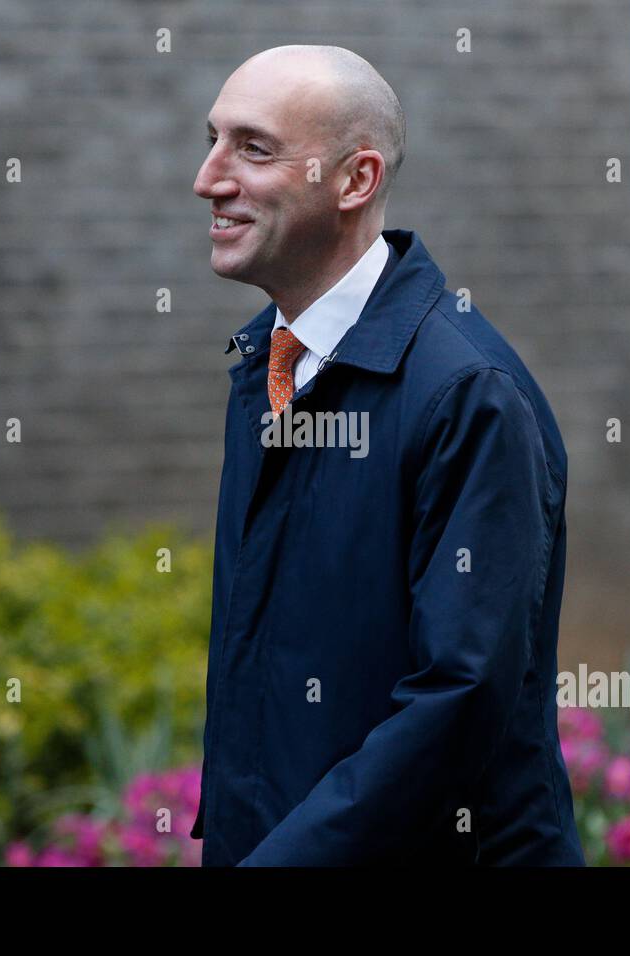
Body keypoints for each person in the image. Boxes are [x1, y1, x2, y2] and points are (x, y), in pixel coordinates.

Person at [189, 44, 584, 866]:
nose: (209, 178)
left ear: (354, 180)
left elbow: (458, 703)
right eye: (212, 140)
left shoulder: (468, 396)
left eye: (252, 149)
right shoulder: (268, 362)